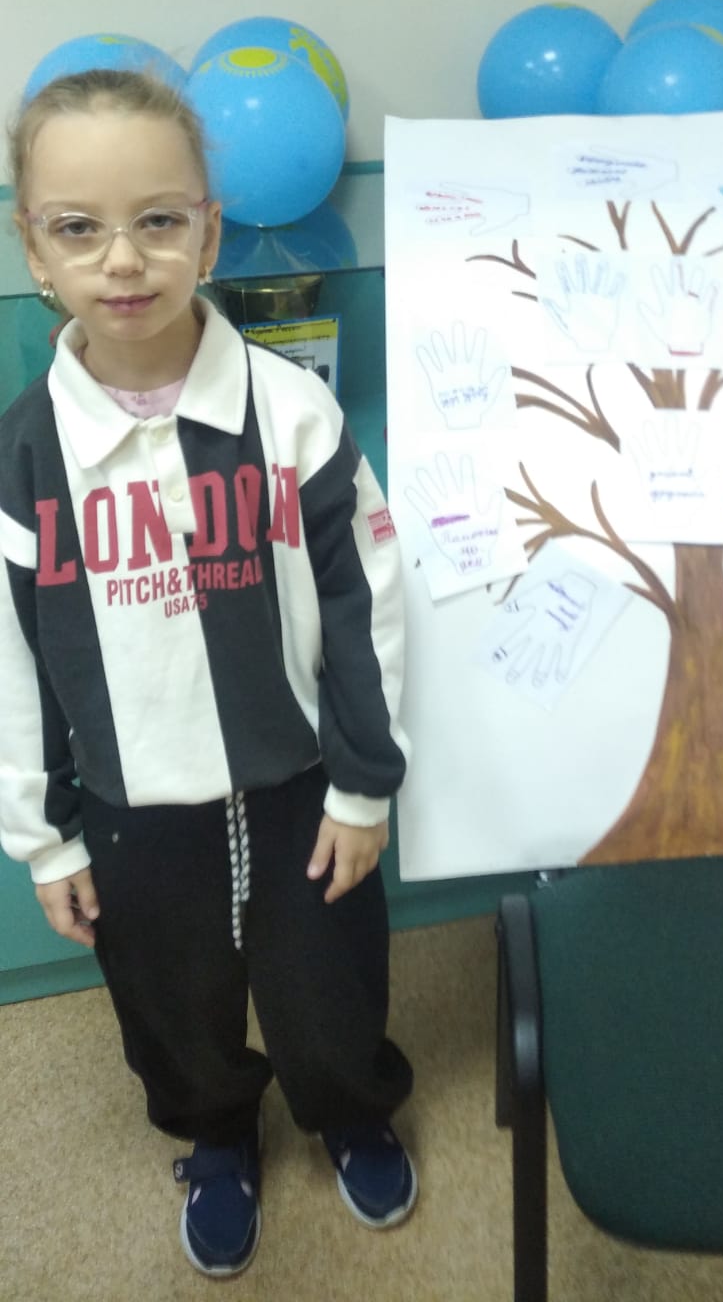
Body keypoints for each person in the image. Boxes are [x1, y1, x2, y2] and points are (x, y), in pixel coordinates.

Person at [0, 68, 416, 1278]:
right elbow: (12, 659)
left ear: (211, 232)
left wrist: (364, 786)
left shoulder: (293, 414)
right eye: (79, 227)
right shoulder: (25, 455)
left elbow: (368, 605)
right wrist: (45, 840)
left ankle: (347, 1108)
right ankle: (219, 1132)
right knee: (172, 1006)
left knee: (329, 987)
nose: (123, 259)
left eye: (158, 220)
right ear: (34, 248)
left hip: (298, 789)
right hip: (132, 809)